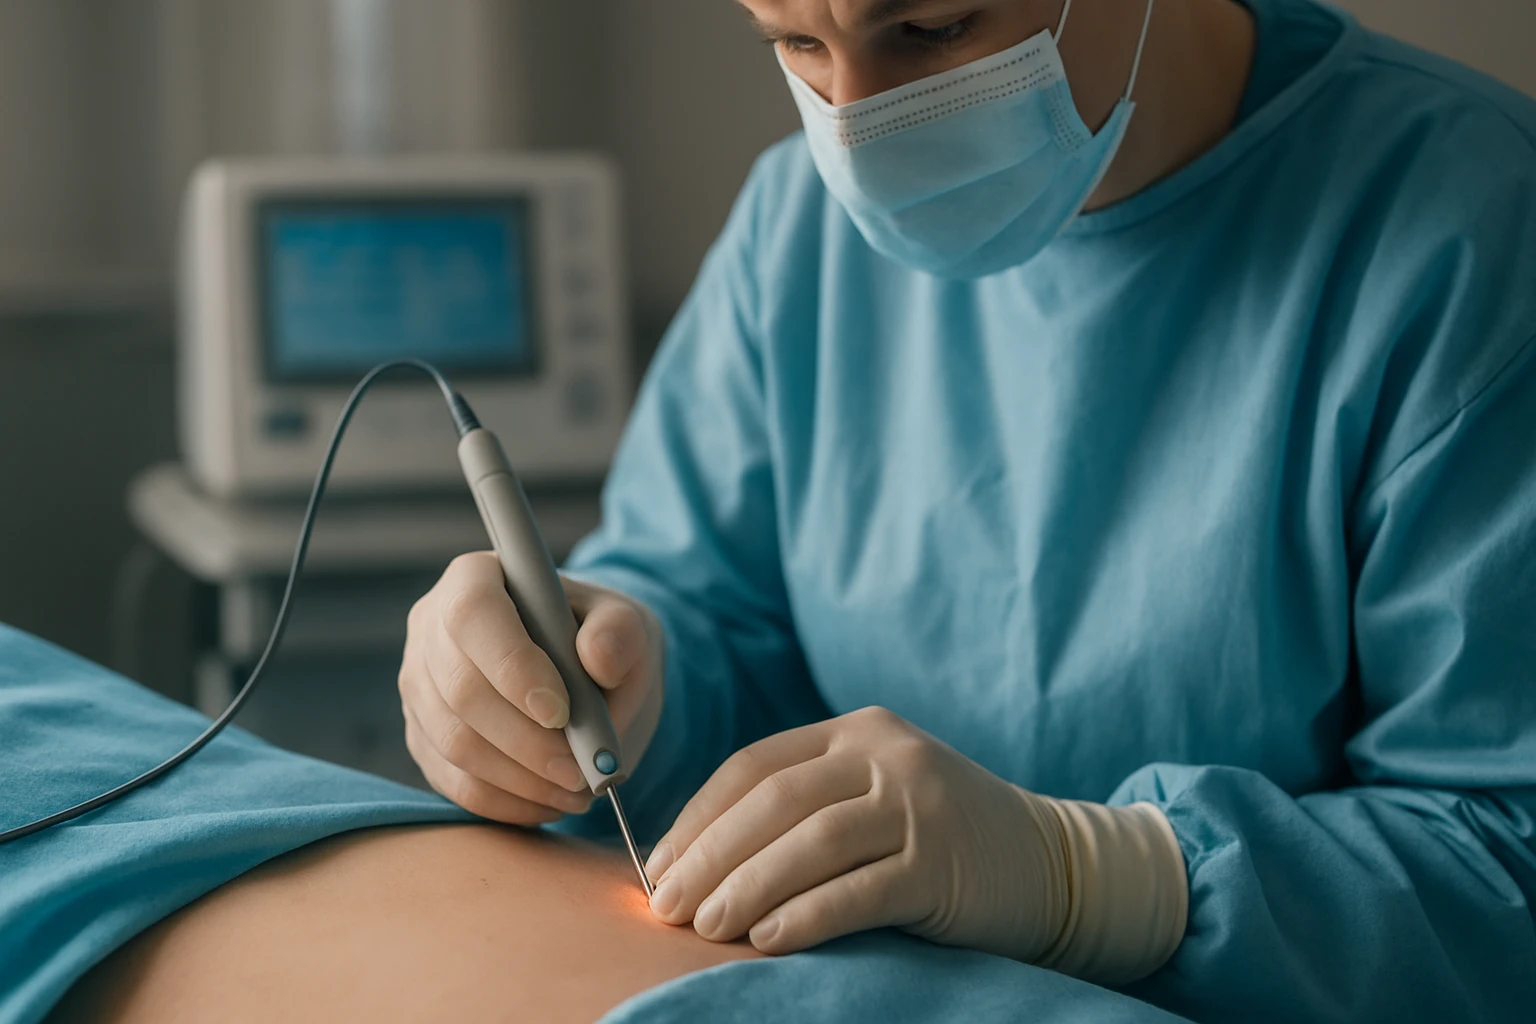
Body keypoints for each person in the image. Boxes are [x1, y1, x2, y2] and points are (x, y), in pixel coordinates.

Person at [397, 0, 1536, 1018]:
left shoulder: (1469, 233)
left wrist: (1100, 879)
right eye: (797, 43)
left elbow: (1505, 869)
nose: (858, 124)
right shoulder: (795, 230)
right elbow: (705, 613)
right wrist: (600, 691)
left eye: (934, 30)